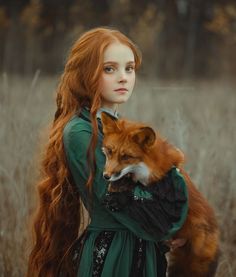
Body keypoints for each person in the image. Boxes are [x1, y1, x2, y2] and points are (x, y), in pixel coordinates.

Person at [27, 27, 188, 277]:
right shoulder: (80, 132)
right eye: (109, 69)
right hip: (114, 254)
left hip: (142, 248)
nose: (123, 77)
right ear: (85, 74)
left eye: (129, 68)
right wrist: (170, 225)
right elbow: (118, 200)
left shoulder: (118, 129)